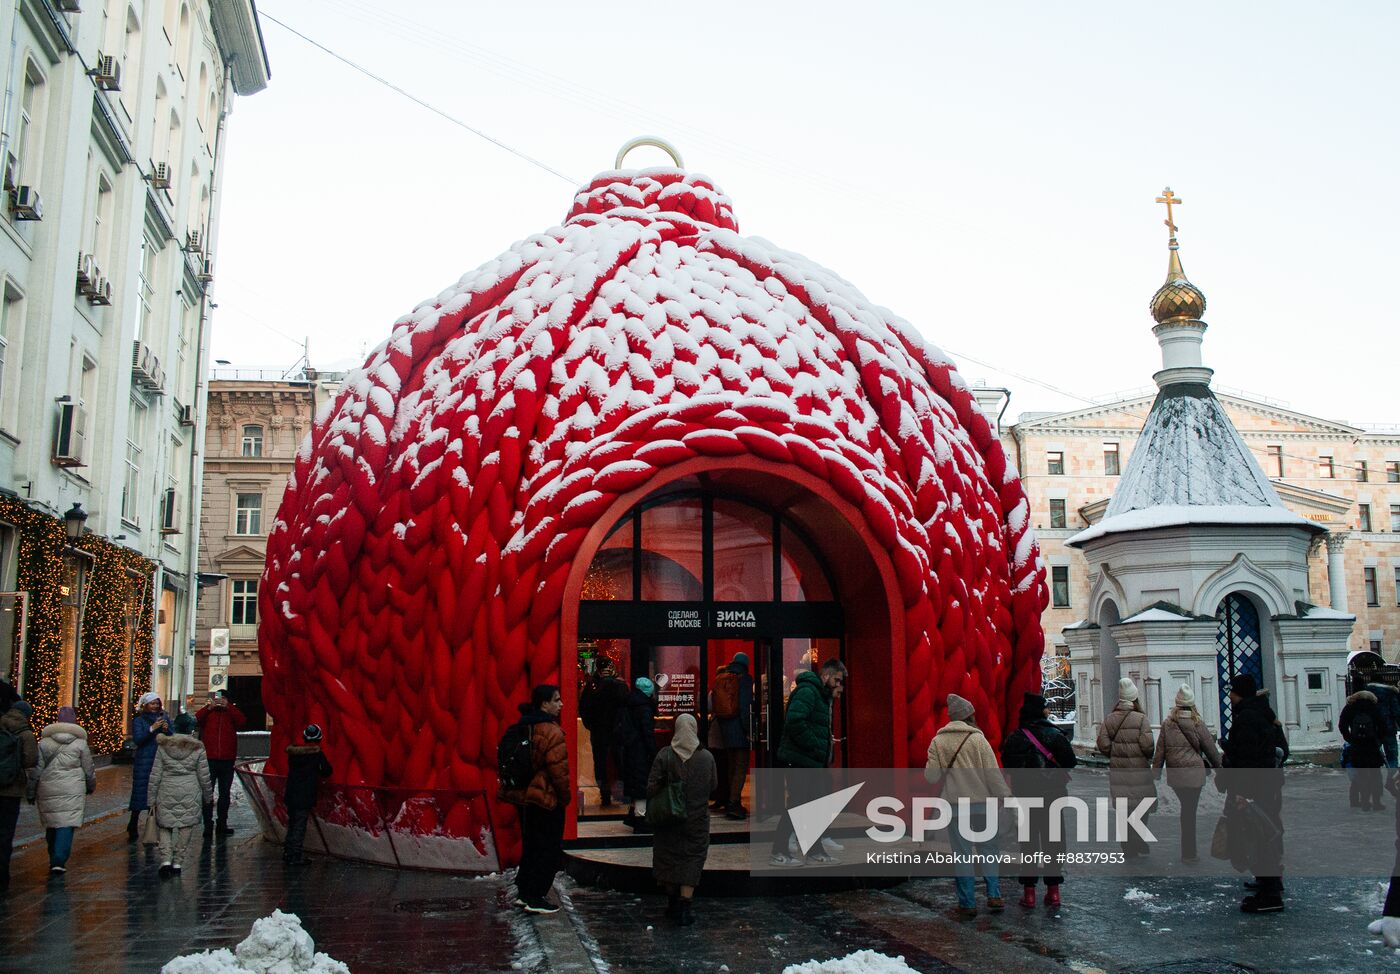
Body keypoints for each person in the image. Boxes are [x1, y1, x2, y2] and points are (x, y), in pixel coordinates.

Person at [925, 693, 1009, 917]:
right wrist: (1004, 796)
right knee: (989, 851)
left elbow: (932, 777)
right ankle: (994, 894)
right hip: (982, 806)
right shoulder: (978, 740)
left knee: (962, 855)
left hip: (955, 807)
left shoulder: (938, 741)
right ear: (969, 716)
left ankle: (967, 902)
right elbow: (993, 775)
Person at [1001, 691, 1077, 909]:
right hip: (1053, 797)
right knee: (1054, 843)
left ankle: (1030, 893)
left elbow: (1007, 766)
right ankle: (1053, 892)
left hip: (1026, 798)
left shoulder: (1016, 737)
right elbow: (1070, 761)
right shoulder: (1055, 735)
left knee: (1028, 845)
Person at [1220, 674, 1288, 914]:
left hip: (1254, 789)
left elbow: (1248, 758)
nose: (1230, 695)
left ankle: (1269, 894)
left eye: (1233, 691)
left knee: (1259, 837)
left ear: (1240, 693)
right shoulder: (1260, 714)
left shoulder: (1247, 718)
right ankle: (1268, 883)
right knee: (1262, 834)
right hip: (1266, 786)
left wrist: (1244, 793)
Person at [769, 658, 847, 866]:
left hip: (811, 761)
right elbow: (795, 721)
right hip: (800, 760)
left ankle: (814, 850)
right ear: (826, 676)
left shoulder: (821, 695)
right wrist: (815, 745)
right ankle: (779, 850)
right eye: (837, 680)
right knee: (797, 805)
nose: (839, 685)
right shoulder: (808, 692)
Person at [499, 686, 569, 914]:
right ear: (544, 704)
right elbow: (559, 771)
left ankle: (525, 891)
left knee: (531, 845)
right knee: (547, 848)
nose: (561, 705)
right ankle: (536, 896)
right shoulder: (551, 731)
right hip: (546, 798)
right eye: (556, 700)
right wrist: (564, 798)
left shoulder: (523, 726)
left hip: (523, 797)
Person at [647, 712, 717, 926]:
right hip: (697, 820)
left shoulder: (665, 755)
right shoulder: (706, 758)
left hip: (669, 819)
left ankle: (672, 904)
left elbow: (651, 787)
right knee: (691, 860)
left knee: (668, 857)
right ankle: (686, 906)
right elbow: (713, 786)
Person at [1151, 684, 1221, 862]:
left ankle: (1187, 850)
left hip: (1176, 775)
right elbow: (1210, 749)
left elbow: (1160, 750)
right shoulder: (1197, 722)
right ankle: (1190, 852)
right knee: (1190, 810)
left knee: (1186, 810)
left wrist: (1156, 773)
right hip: (1195, 773)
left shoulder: (1168, 724)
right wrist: (1220, 768)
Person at [147, 712, 212, 879]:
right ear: (191, 730)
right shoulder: (197, 748)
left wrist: (151, 798)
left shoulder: (163, 746)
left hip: (166, 788)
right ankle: (178, 861)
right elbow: (204, 776)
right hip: (190, 789)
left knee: (165, 825)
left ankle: (165, 859)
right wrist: (208, 796)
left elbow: (156, 774)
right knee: (186, 825)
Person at [1096, 678, 1157, 858]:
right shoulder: (1141, 719)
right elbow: (1148, 745)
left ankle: (1126, 843)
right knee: (1141, 805)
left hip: (1119, 769)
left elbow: (1103, 743)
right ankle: (1137, 839)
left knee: (1124, 807)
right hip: (1139, 770)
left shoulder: (1110, 718)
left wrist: (1115, 753)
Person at [32, 706, 95, 874]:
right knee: (66, 823)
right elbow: (88, 768)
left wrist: (31, 789)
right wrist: (91, 785)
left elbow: (37, 769)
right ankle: (59, 860)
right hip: (73, 787)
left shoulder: (44, 742)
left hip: (48, 786)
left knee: (52, 822)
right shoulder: (80, 743)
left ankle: (53, 854)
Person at [0, 682, 38, 891]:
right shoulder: (25, 733)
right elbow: (30, 760)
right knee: (6, 832)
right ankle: (3, 874)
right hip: (11, 789)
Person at [196, 690, 246, 836]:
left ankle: (222, 823)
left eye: (223, 698)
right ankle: (207, 824)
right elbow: (197, 719)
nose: (220, 701)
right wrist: (208, 708)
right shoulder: (209, 713)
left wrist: (229, 707)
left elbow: (242, 721)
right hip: (209, 758)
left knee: (225, 793)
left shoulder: (230, 713)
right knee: (207, 793)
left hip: (227, 758)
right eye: (218, 698)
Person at [578, 660, 627, 808]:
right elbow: (625, 706)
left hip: (599, 731)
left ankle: (605, 794)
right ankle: (622, 793)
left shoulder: (592, 687)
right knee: (619, 762)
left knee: (600, 763)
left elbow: (584, 708)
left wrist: (591, 726)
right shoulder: (619, 686)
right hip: (616, 731)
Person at [283, 723, 333, 867]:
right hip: (305, 794)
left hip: (291, 792)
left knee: (292, 823)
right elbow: (327, 770)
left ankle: (288, 852)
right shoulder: (316, 754)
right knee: (299, 825)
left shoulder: (293, 754)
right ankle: (295, 856)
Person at [712, 652, 754, 820]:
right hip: (739, 731)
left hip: (725, 729)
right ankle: (734, 803)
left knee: (731, 767)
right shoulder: (744, 678)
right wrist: (748, 730)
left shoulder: (723, 677)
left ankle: (730, 799)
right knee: (740, 768)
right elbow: (745, 707)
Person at [128, 692, 172, 841]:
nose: (155, 706)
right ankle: (133, 823)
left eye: (157, 704)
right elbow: (139, 739)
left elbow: (172, 738)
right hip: (144, 760)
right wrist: (152, 729)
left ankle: (151, 825)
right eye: (152, 704)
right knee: (140, 793)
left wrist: (166, 730)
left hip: (160, 759)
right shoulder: (139, 720)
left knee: (157, 794)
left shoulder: (164, 718)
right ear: (145, 705)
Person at [617, 677, 658, 832]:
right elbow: (647, 733)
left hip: (630, 750)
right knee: (642, 786)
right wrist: (653, 752)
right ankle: (641, 820)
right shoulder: (644, 707)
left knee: (636, 785)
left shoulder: (628, 704)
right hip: (640, 752)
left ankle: (633, 816)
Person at [1341, 689, 1386, 811]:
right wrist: (1378, 740)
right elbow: (1383, 725)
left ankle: (1365, 802)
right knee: (1375, 774)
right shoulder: (1374, 707)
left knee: (1361, 774)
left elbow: (1342, 725)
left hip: (1357, 745)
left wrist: (1350, 739)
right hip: (1372, 745)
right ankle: (1377, 802)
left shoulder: (1350, 707)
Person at [1367, 682, 1400, 770]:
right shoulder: (1390, 693)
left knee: (1372, 756)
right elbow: (1396, 712)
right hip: (1389, 729)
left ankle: (1375, 780)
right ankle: (1392, 780)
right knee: (1392, 757)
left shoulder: (1366, 693)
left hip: (1372, 730)